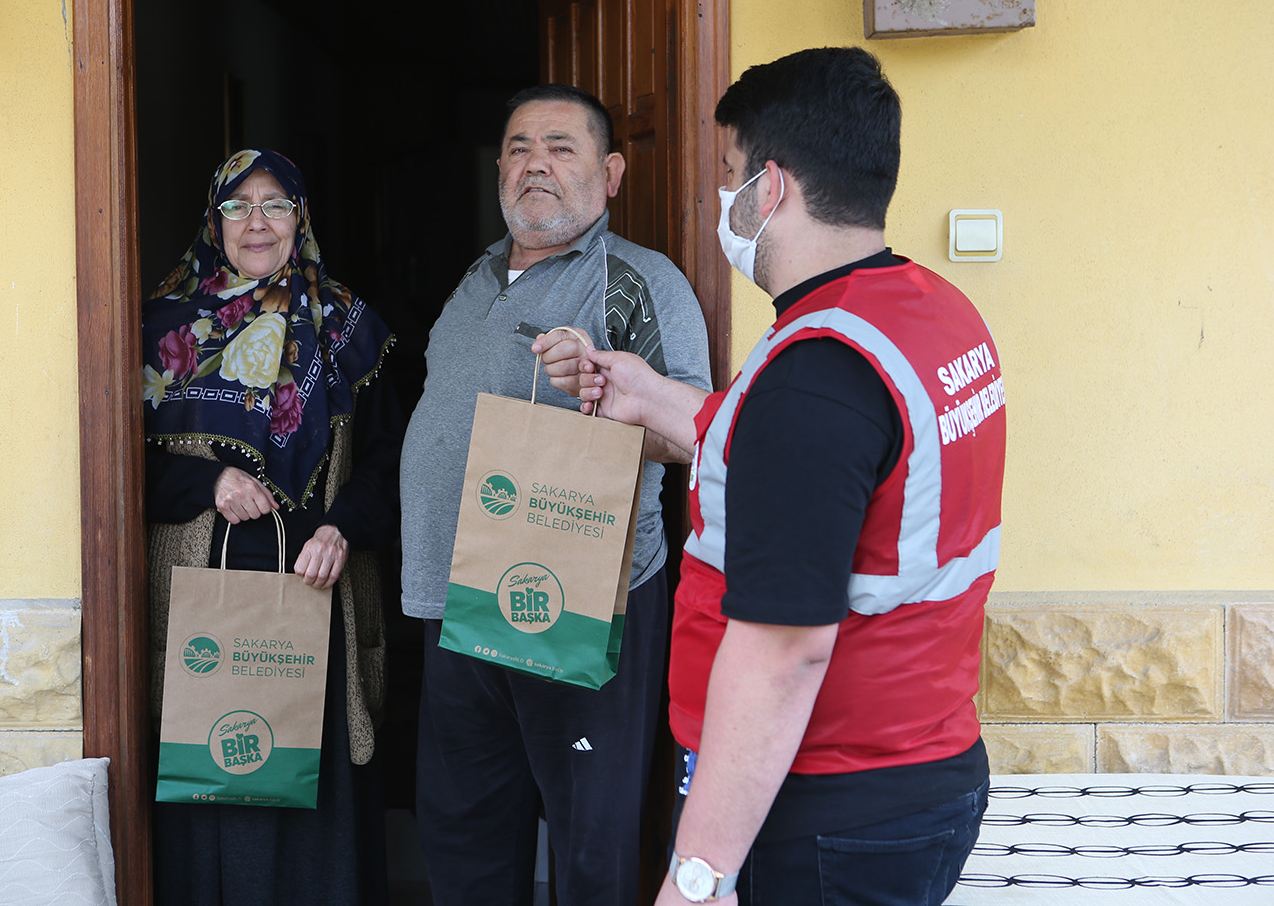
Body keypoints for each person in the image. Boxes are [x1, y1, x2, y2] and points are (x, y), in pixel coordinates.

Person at [571, 48, 1006, 905]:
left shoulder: (818, 374)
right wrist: (656, 396)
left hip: (821, 809)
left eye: (729, 175)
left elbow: (782, 652)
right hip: (920, 770)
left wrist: (698, 876)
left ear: (770, 190)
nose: (720, 199)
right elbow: (822, 479)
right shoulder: (926, 311)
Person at [399, 84, 711, 906]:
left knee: (590, 845)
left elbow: (693, 436)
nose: (534, 161)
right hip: (459, 603)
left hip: (580, 603)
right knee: (464, 836)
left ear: (609, 173)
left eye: (561, 147)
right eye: (517, 146)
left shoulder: (639, 282)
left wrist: (604, 394)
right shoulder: (474, 279)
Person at [142, 148, 402, 906]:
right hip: (197, 603)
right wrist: (207, 479)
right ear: (213, 219)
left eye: (275, 204)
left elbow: (393, 455)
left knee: (309, 792)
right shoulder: (161, 326)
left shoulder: (346, 327)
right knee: (209, 790)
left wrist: (345, 527)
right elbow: (111, 471)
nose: (256, 223)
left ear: (301, 217)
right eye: (238, 206)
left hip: (313, 598)